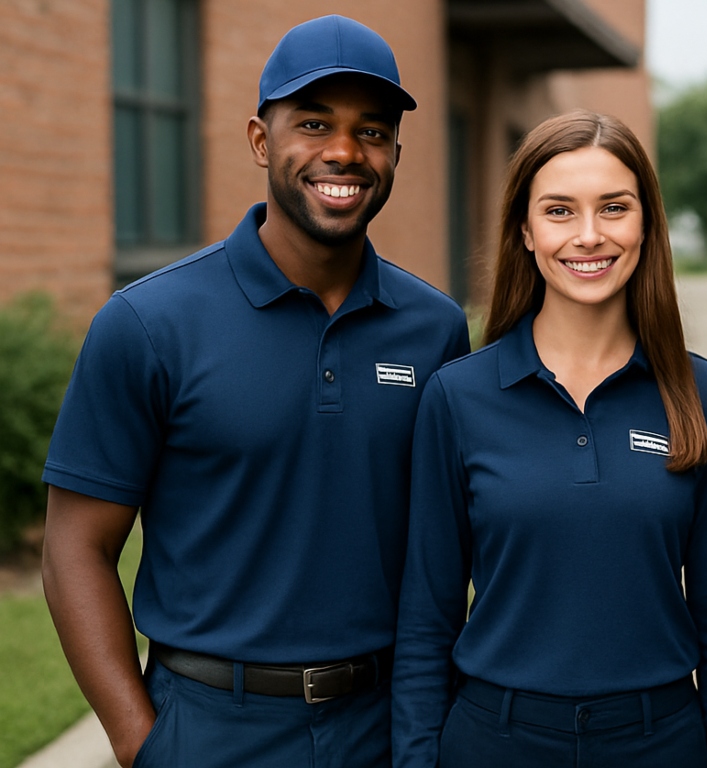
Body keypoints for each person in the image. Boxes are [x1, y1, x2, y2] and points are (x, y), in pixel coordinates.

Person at [41, 15, 470, 768]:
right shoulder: (146, 324)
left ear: (396, 153)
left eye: (371, 131)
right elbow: (75, 548)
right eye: (312, 123)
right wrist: (142, 742)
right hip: (208, 726)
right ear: (259, 140)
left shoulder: (433, 330)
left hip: (384, 726)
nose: (344, 151)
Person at [390, 110, 707, 768]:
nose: (589, 236)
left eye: (613, 208)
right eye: (559, 211)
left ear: (646, 224)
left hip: (660, 742)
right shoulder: (457, 398)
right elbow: (426, 621)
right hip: (494, 742)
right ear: (525, 231)